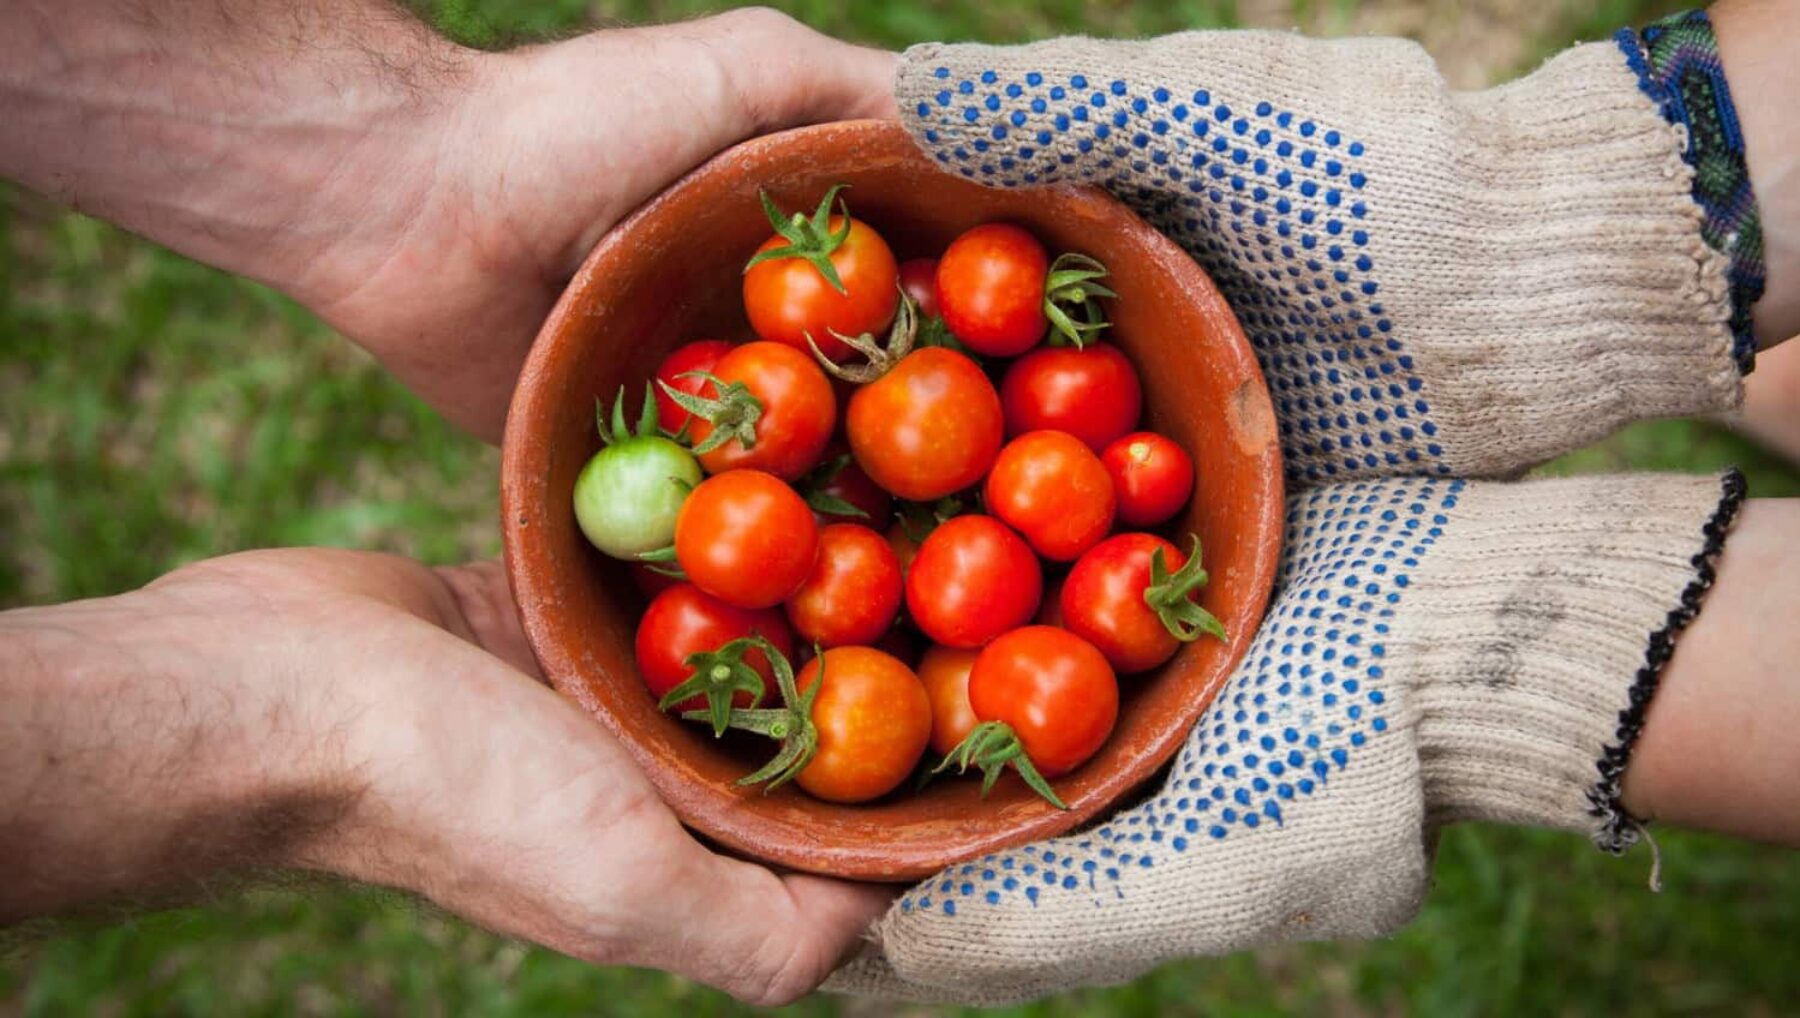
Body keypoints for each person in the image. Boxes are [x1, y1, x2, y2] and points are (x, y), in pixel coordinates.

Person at [1, 0, 1796, 1007]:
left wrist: (1566, 210)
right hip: (1001, 572)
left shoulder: (856, 466)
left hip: (1011, 543)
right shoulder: (847, 535)